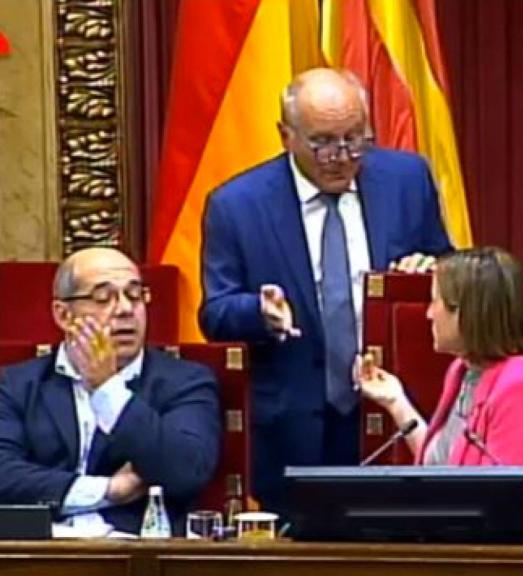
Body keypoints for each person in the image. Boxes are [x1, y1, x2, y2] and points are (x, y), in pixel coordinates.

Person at [200, 67, 453, 514]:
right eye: (323, 142)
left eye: (356, 138)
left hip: (391, 412)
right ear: (286, 135)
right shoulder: (236, 205)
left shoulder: (407, 180)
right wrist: (258, 313)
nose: (342, 155)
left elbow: (451, 266)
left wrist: (431, 269)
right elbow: (215, 312)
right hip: (290, 425)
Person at [356, 247, 523, 543]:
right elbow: (447, 472)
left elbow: (497, 505)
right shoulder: (461, 372)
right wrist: (396, 401)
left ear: (466, 310)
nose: (428, 314)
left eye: (435, 301)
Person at [0, 248, 220, 536]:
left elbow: (186, 471)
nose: (125, 309)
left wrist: (106, 388)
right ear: (64, 315)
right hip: (39, 551)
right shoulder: (16, 385)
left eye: (135, 295)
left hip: (138, 555)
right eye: (104, 298)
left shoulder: (186, 382)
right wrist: (108, 490)